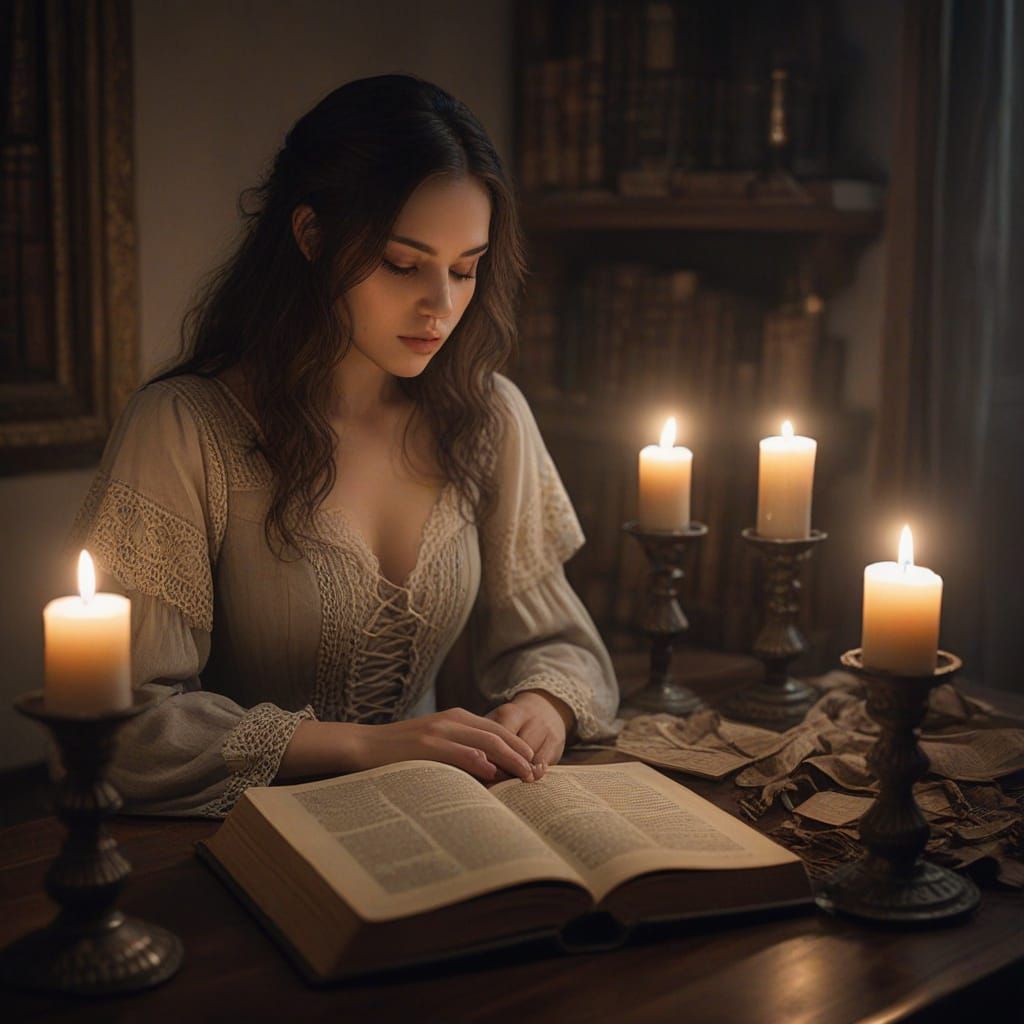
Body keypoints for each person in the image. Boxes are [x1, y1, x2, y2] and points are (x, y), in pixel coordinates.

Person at [71, 74, 619, 817]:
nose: (443, 305)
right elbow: (132, 728)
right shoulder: (184, 428)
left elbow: (561, 643)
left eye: (466, 268)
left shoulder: (487, 418)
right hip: (250, 843)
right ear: (312, 236)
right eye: (404, 264)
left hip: (445, 820)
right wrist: (367, 746)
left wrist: (543, 706)